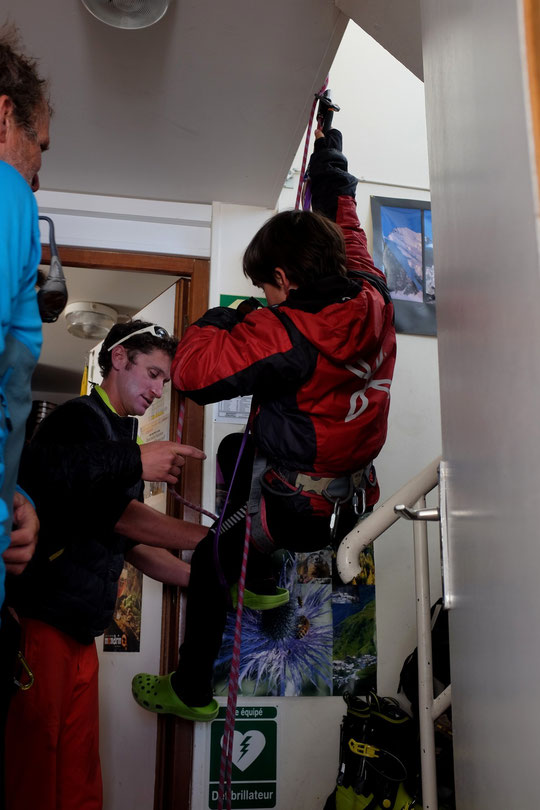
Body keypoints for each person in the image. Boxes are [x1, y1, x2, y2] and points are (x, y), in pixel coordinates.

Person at [132, 129, 396, 722]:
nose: (265, 298)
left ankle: (193, 689)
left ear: (285, 277)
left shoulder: (287, 332)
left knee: (205, 565)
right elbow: (346, 225)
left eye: (265, 288)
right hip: (348, 490)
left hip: (296, 508)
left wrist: (225, 314)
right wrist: (331, 163)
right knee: (233, 448)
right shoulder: (371, 291)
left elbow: (195, 374)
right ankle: (263, 580)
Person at [4, 321, 207, 810]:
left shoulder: (121, 435)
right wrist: (213, 538)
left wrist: (209, 575)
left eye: (165, 381)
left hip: (80, 633)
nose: (158, 391)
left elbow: (127, 538)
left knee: (78, 770)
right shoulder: (77, 418)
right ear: (119, 359)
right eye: (153, 374)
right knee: (35, 768)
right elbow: (58, 479)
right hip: (40, 626)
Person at [0, 23, 52, 615]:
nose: (37, 170)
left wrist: (14, 496)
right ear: (4, 117)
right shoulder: (8, 193)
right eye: (39, 143)